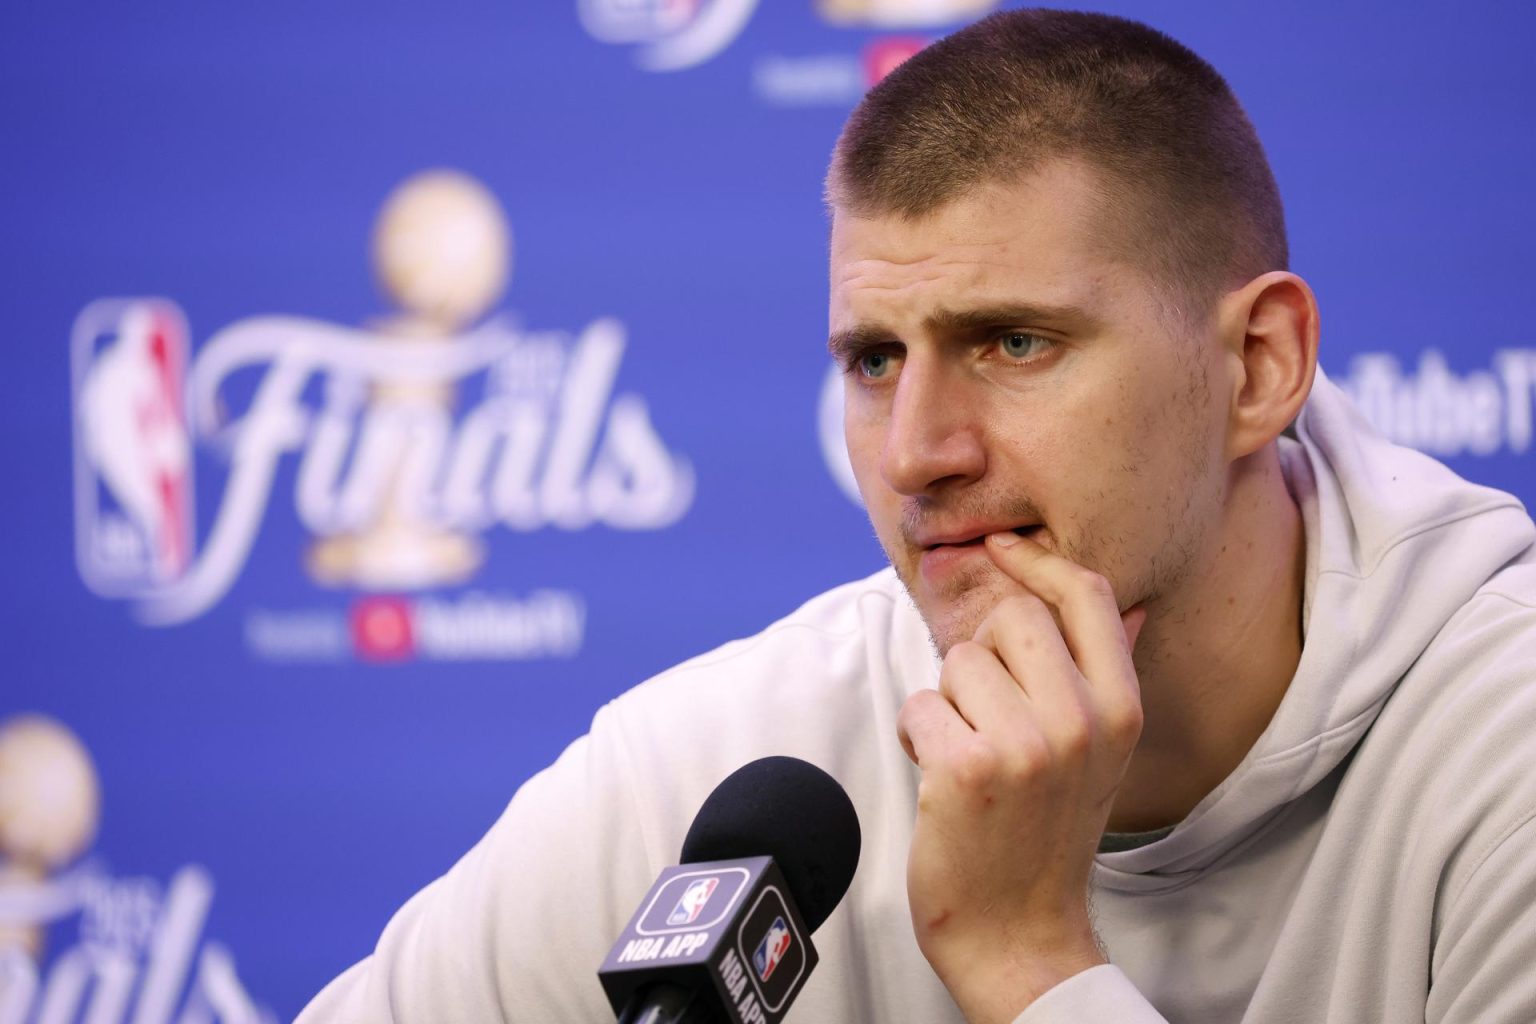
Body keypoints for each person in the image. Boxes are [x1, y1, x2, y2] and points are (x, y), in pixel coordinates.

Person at [298, 9, 1536, 1023]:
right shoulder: (734, 766)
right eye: (875, 358)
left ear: (1259, 365)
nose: (912, 454)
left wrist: (1027, 960)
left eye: (1013, 341)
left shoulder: (1503, 751)